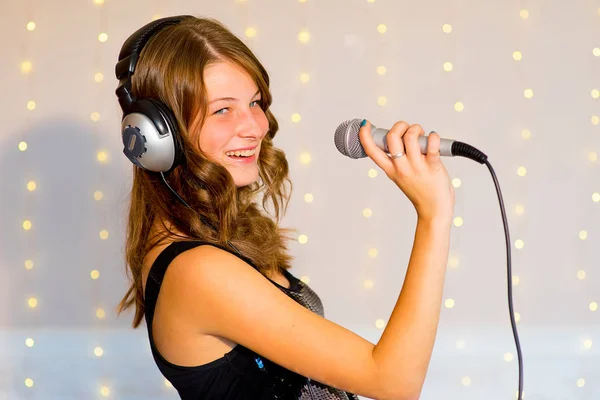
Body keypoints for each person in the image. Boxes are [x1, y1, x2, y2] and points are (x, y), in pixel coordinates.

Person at [115, 15, 455, 400]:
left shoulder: (215, 244)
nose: (256, 126)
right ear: (157, 134)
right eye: (223, 110)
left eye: (255, 103)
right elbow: (393, 382)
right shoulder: (198, 271)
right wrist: (434, 215)